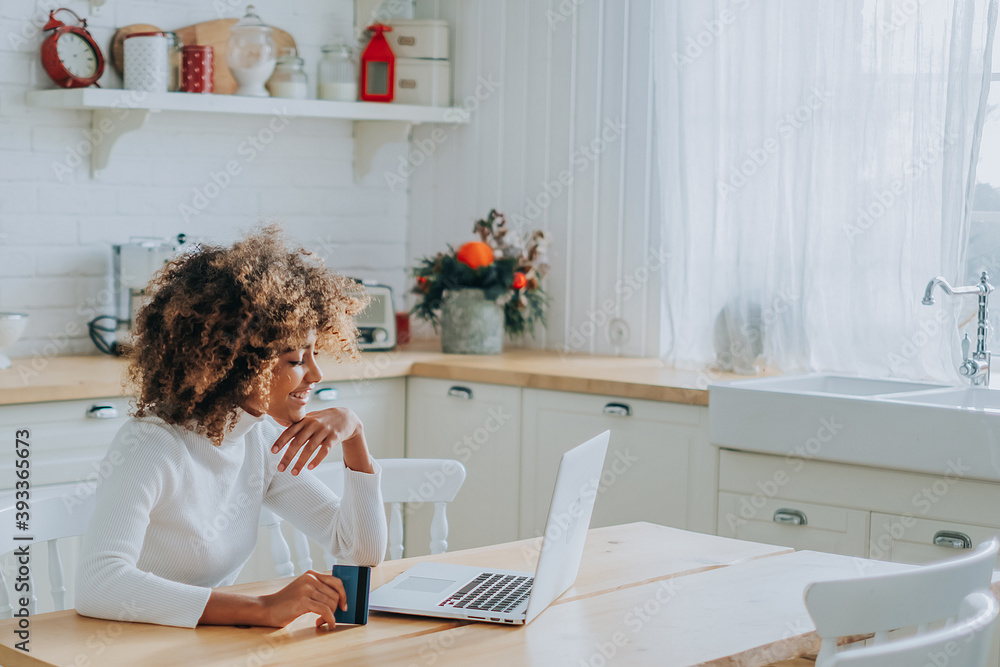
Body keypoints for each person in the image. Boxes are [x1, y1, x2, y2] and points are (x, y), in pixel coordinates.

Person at [74, 224, 388, 630]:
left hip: (206, 648)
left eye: (313, 354)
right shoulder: (151, 445)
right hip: (129, 646)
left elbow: (359, 551)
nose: (316, 373)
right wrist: (260, 609)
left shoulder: (257, 439)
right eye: (295, 360)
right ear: (240, 365)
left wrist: (356, 438)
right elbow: (99, 585)